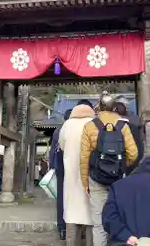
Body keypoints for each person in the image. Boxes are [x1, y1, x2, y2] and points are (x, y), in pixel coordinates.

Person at [80, 92, 138, 246]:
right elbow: (133, 153)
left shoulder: (90, 126)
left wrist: (85, 182)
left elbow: (84, 158)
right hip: (119, 179)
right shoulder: (123, 125)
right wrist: (122, 167)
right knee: (119, 217)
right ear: (114, 107)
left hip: (96, 178)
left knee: (98, 222)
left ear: (99, 107)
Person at [102, 156, 150, 246]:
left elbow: (109, 217)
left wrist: (126, 236)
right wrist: (149, 242)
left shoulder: (117, 186)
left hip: (122, 242)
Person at [59, 104, 95, 246]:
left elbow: (62, 145)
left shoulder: (67, 125)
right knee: (90, 213)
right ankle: (90, 242)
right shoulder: (93, 124)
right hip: (90, 174)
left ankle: (71, 242)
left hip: (71, 174)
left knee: (72, 212)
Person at [49, 108, 72, 240]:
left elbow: (53, 151)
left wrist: (52, 167)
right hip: (75, 167)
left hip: (60, 167)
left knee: (61, 198)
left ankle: (62, 227)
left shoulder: (58, 131)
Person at [112, 95, 144, 174]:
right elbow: (141, 139)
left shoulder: (114, 121)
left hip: (118, 158)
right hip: (135, 157)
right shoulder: (136, 120)